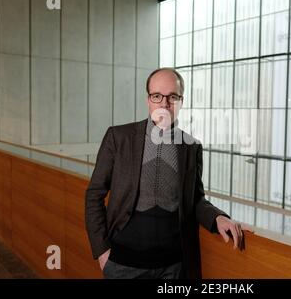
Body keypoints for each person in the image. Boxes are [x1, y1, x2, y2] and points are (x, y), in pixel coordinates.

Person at [85, 67, 249, 279]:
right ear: (148, 100)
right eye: (157, 96)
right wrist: (101, 251)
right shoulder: (119, 137)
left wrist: (218, 218)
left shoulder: (191, 146)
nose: (164, 104)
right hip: (122, 263)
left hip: (174, 266)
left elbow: (195, 200)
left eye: (172, 97)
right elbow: (94, 195)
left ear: (181, 101)